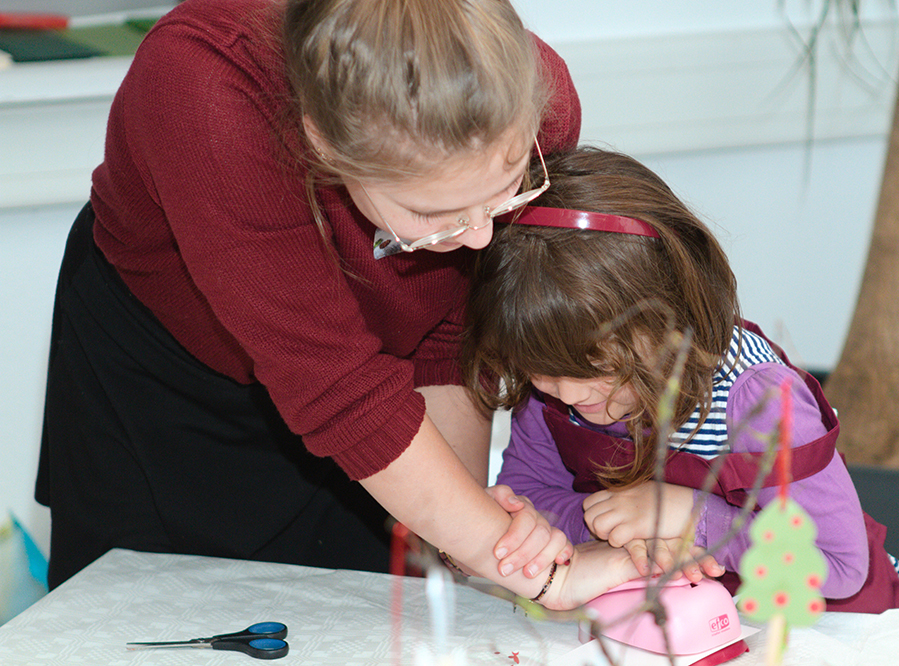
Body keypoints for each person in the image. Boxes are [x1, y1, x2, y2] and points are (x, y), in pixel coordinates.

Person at [35, 0, 640, 609]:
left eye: (503, 196)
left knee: (375, 615)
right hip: (167, 378)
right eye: (433, 216)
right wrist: (541, 574)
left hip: (376, 395)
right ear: (322, 142)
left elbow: (452, 328)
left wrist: (470, 537)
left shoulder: (532, 95)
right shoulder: (207, 88)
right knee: (144, 620)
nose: (481, 236)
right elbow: (338, 388)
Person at [462, 147, 899, 612]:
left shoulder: (760, 398)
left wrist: (691, 518)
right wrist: (620, 534)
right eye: (541, 372)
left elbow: (841, 565)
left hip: (835, 626)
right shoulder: (549, 379)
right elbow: (532, 497)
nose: (568, 393)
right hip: (692, 624)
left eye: (598, 369)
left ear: (672, 317)